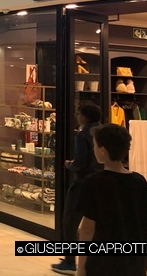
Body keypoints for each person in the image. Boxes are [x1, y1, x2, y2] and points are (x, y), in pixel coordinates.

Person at [76, 124, 147, 276]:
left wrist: (81, 268)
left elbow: (87, 228)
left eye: (95, 145)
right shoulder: (139, 182)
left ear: (102, 150)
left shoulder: (93, 182)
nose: (93, 149)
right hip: (136, 263)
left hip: (102, 264)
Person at [51, 103, 102, 275]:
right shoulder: (102, 132)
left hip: (82, 183)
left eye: (79, 113)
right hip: (99, 181)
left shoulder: (83, 135)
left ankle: (70, 261)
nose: (77, 116)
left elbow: (80, 162)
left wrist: (68, 164)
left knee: (70, 221)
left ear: (85, 116)